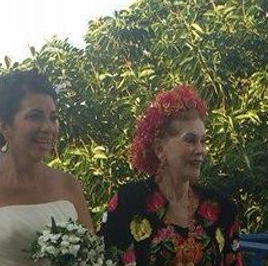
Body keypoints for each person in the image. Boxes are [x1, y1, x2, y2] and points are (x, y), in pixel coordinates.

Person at [0, 70, 94, 266]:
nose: (48, 127)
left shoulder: (69, 185)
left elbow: (92, 256)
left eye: (53, 118)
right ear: (4, 126)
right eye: (35, 116)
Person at [100, 85, 243, 266]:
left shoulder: (223, 209)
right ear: (160, 149)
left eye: (203, 141)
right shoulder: (129, 203)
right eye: (190, 140)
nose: (200, 150)